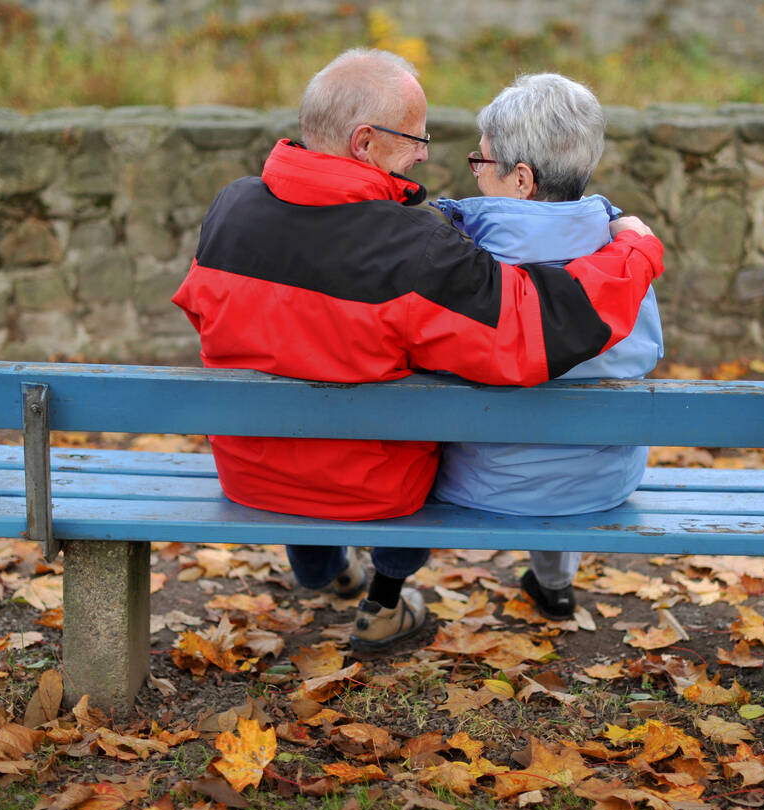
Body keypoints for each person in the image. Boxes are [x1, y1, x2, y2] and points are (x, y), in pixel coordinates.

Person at [171, 49, 664, 650]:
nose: (426, 154)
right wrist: (634, 250)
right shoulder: (412, 248)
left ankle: (321, 570)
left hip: (248, 472)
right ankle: (385, 596)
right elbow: (533, 330)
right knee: (425, 431)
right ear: (363, 142)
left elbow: (204, 312)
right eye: (415, 139)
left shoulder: (229, 209)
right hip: (373, 491)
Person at [430, 74, 664, 621]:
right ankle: (554, 580)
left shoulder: (465, 259)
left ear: (521, 179)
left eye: (480, 162)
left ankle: (385, 589)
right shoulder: (627, 260)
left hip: (483, 483)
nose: (475, 172)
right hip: (602, 484)